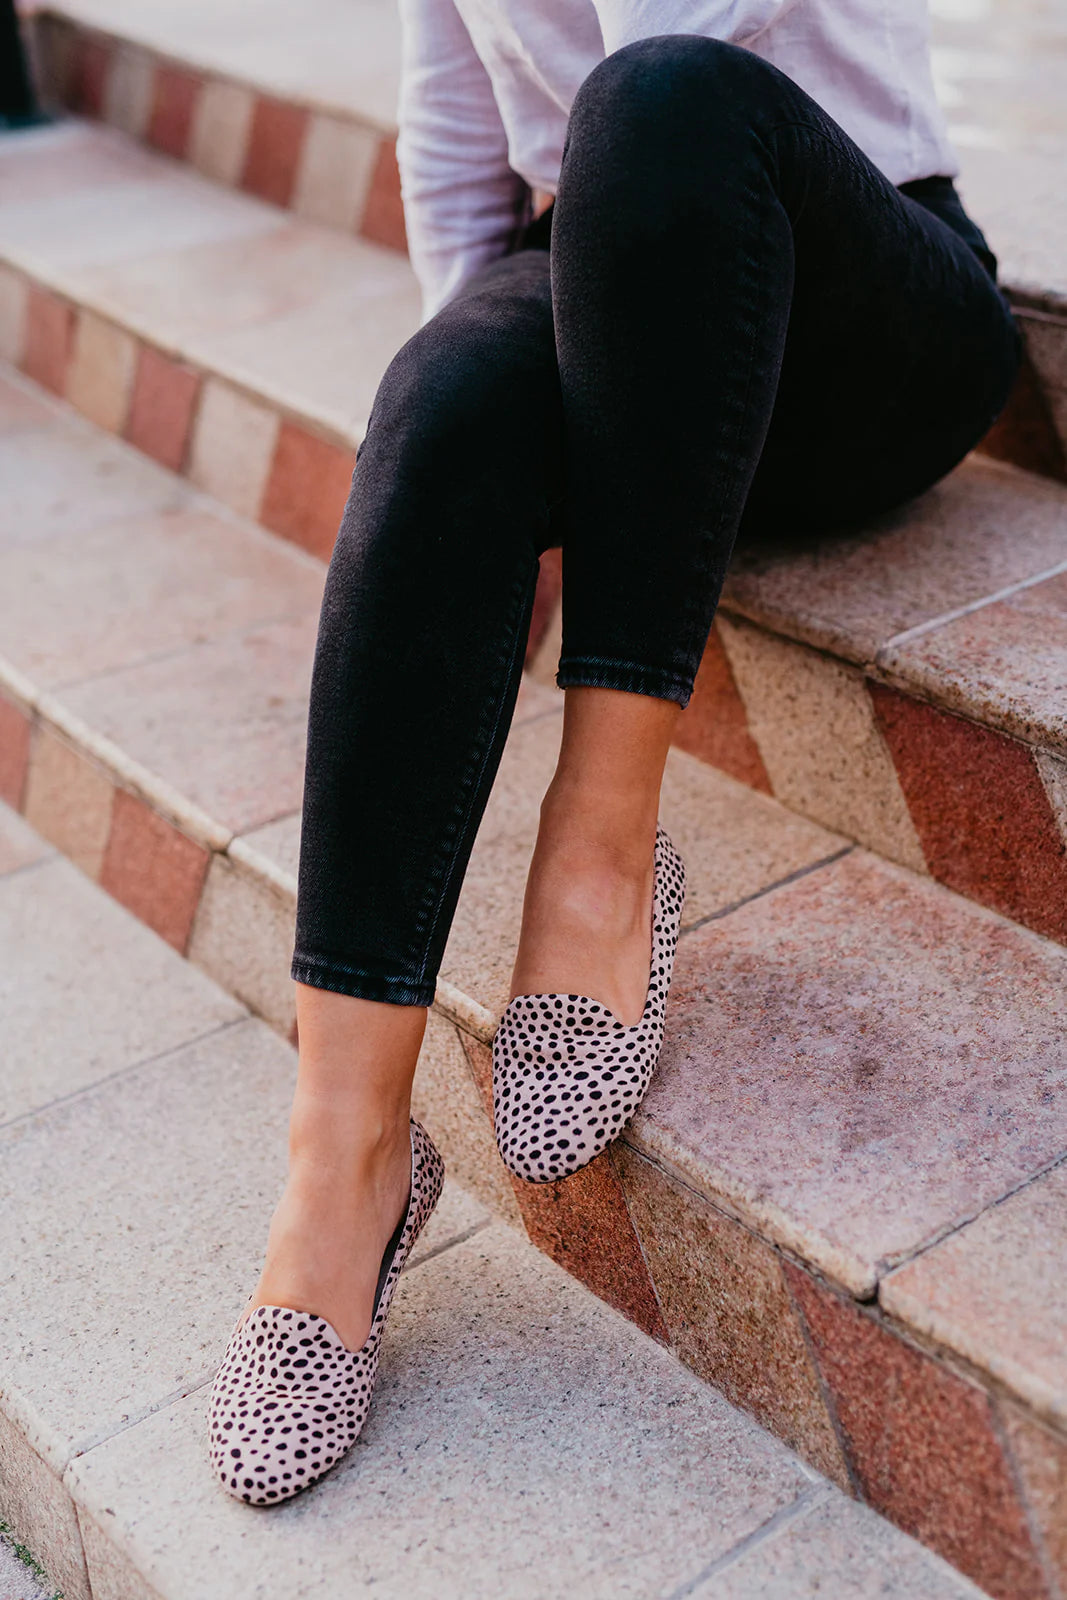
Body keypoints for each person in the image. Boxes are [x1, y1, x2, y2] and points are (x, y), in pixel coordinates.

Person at [208, 0, 1020, 1504]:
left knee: (656, 100)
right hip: (615, 305)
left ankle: (600, 852)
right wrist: (504, 436)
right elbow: (454, 133)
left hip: (859, 297)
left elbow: (677, 40)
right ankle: (346, 1157)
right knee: (444, 391)